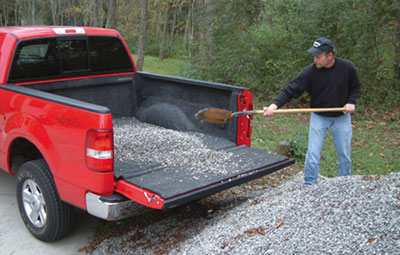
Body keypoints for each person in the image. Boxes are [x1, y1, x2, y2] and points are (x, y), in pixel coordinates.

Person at [263, 37, 361, 185]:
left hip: (342, 117)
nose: (315, 60)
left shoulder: (347, 68)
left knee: (344, 155)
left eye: (318, 56)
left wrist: (350, 102)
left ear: (330, 55)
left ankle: (344, 183)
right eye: (314, 56)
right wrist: (273, 106)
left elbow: (356, 86)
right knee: (313, 153)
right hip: (319, 117)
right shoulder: (310, 72)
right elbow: (290, 90)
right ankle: (309, 184)